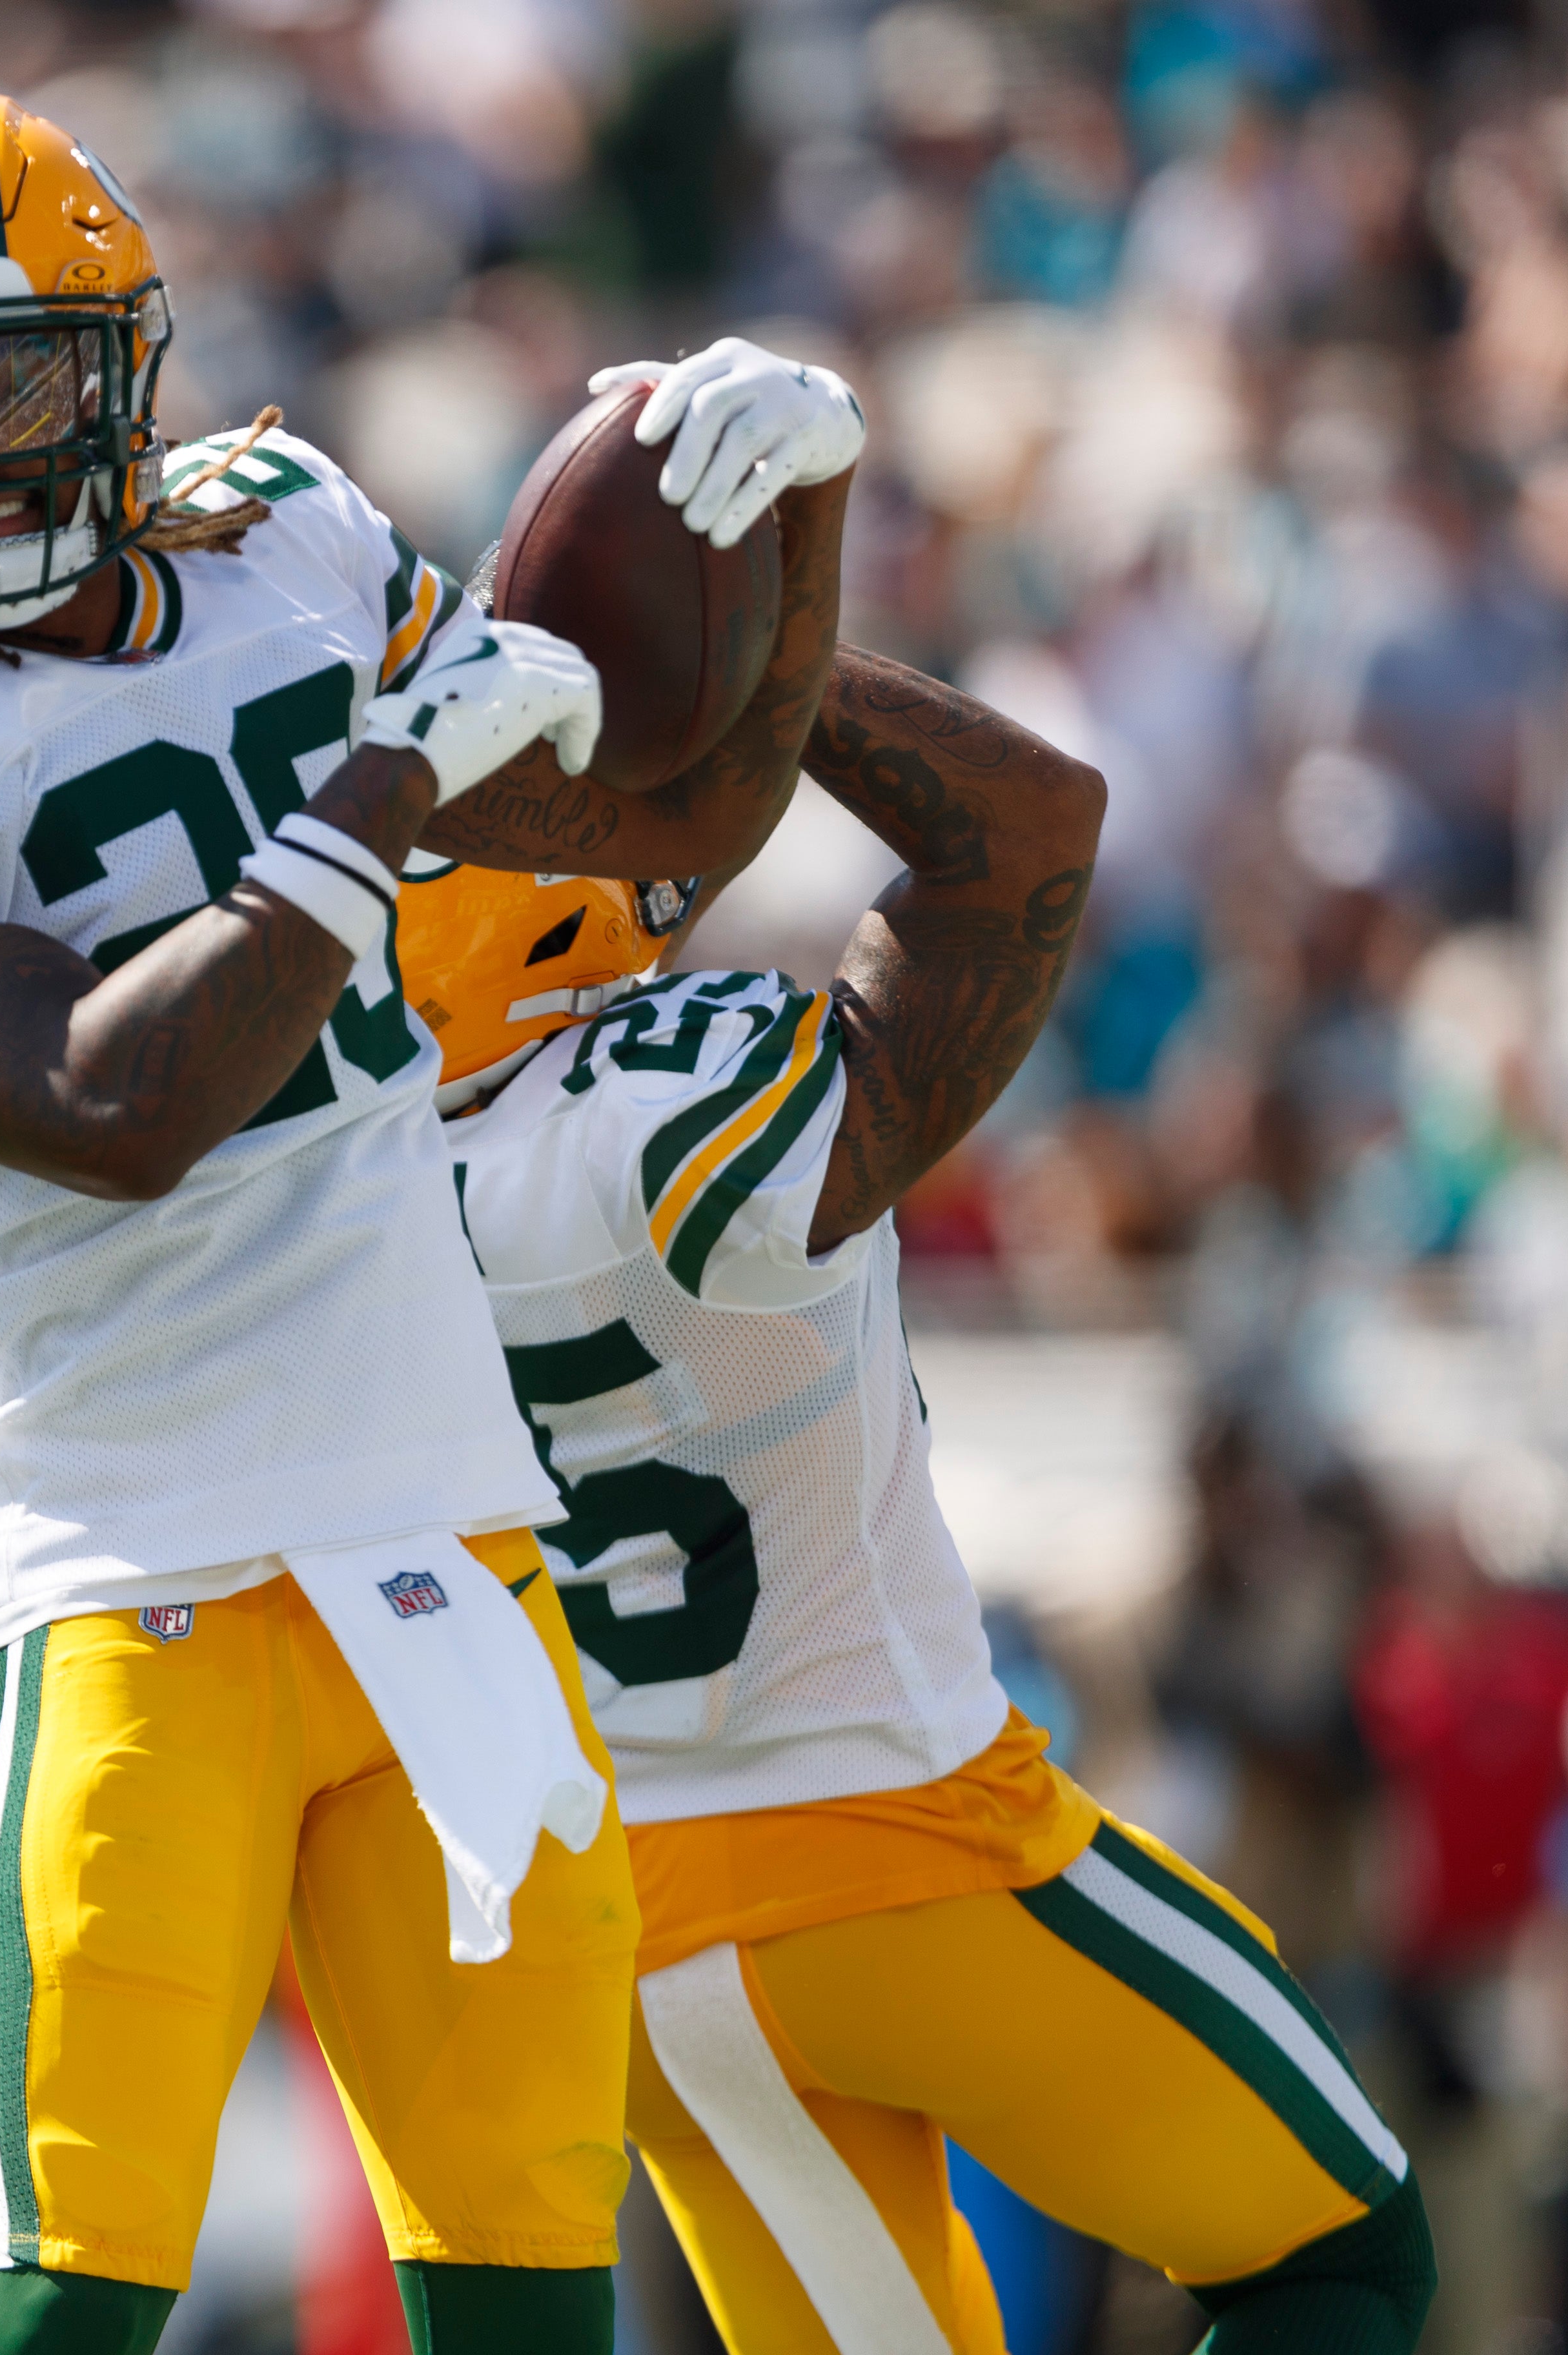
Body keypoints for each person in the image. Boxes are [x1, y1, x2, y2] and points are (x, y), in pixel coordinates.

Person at [0, 93, 857, 2354]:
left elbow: (661, 815)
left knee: (521, 2283)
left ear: (128, 368)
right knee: (73, 2295)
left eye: (19, 372)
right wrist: (384, 782)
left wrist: (801, 514)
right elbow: (115, 1101)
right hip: (141, 1579)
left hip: (453, 1552)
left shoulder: (290, 537)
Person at [407, 601, 1440, 2350]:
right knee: (1340, 2258)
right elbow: (1028, 832)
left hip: (635, 1936)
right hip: (910, 1842)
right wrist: (757, 659)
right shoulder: (676, 1097)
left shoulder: (326, 1200)